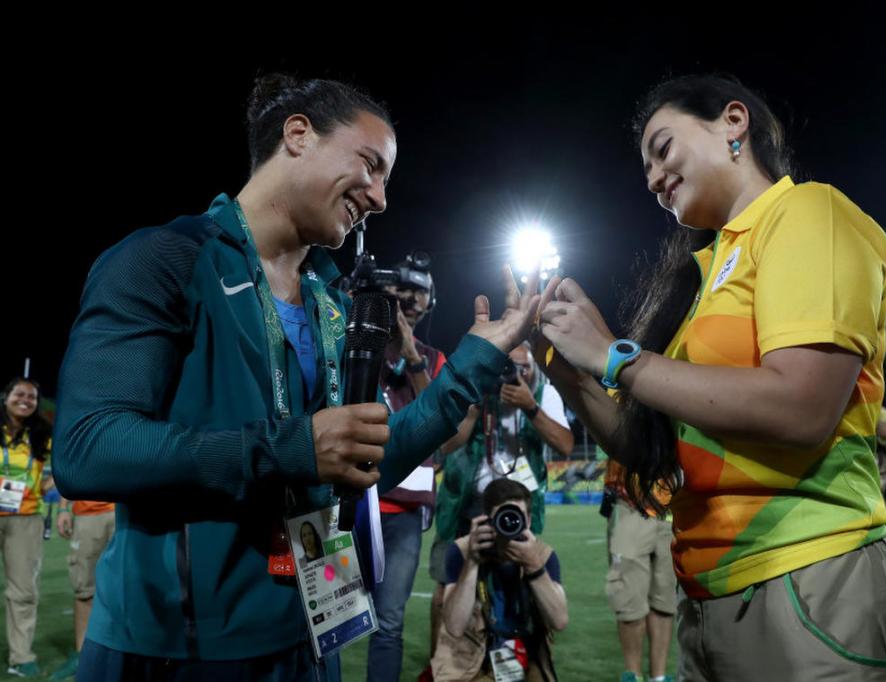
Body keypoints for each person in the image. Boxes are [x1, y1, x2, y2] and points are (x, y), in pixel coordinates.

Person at [52, 73, 540, 682]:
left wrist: (472, 363)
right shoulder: (164, 258)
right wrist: (290, 449)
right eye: (371, 165)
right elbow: (87, 449)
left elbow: (364, 459)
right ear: (299, 135)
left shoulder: (331, 301)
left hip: (314, 638)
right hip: (177, 651)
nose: (380, 198)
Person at [534, 74, 886, 680]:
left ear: (733, 122)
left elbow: (802, 408)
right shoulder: (705, 273)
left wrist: (616, 357)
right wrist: (568, 370)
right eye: (646, 168)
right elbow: (650, 453)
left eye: (663, 149)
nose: (653, 178)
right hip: (709, 600)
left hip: (815, 581)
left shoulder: (808, 212)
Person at [427, 343, 573, 670]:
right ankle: (440, 666)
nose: (514, 375)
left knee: (520, 588)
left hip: (518, 510)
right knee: (446, 590)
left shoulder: (544, 393)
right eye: (506, 367)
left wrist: (530, 407)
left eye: (523, 367)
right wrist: (474, 407)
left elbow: (565, 444)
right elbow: (446, 445)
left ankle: (517, 662)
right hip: (465, 508)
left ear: (533, 368)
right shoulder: (474, 390)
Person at [366, 255, 450, 682]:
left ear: (431, 302)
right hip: (352, 501)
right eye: (404, 289)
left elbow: (442, 428)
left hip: (403, 513)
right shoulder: (358, 342)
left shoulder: (433, 359)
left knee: (389, 623)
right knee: (326, 618)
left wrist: (411, 353)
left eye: (421, 292)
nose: (412, 299)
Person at [433, 478, 568, 681]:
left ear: (528, 520)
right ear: (487, 519)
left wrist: (533, 566)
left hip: (526, 655)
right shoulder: (463, 550)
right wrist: (472, 563)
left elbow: (559, 621)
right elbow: (454, 626)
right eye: (503, 516)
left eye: (517, 517)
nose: (509, 522)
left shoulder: (542, 555)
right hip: (472, 660)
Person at [602, 461, 675, 682]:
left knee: (665, 601)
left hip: (672, 506)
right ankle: (633, 675)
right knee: (629, 601)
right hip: (630, 504)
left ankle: (659, 677)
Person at [1, 377, 53, 679]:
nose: (25, 400)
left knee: (23, 590)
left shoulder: (42, 434)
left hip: (27, 517)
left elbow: (62, 467)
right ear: (6, 396)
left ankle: (20, 656)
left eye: (32, 397)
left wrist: (50, 484)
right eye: (19, 394)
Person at [48, 494, 116, 680]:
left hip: (129, 511)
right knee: (84, 587)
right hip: (88, 513)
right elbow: (70, 474)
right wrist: (63, 509)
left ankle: (129, 654)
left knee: (131, 587)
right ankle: (82, 655)